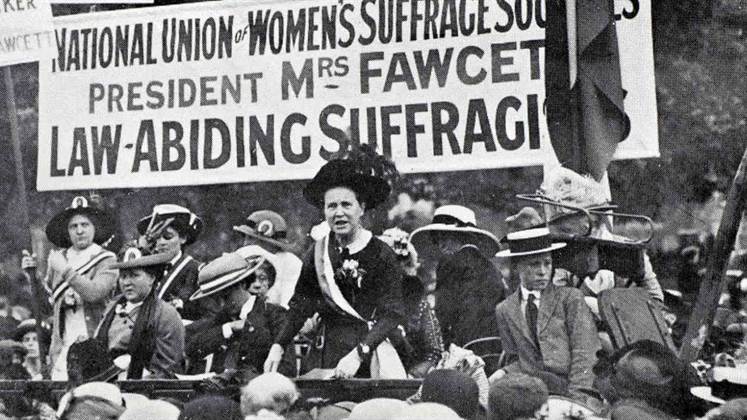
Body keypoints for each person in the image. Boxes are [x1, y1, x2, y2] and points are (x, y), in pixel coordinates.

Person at [263, 156, 406, 379]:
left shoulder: (381, 253)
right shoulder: (317, 253)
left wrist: (360, 354)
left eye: (346, 205)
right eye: (331, 206)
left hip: (369, 351)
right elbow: (301, 305)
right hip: (326, 351)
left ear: (362, 208)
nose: (338, 213)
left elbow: (392, 314)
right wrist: (279, 345)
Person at [493, 228, 601, 402]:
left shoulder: (569, 298)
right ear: (517, 266)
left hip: (571, 389)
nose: (543, 271)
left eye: (547, 263)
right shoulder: (504, 309)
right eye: (534, 264)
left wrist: (576, 398)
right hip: (531, 392)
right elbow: (516, 359)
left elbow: (585, 352)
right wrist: (502, 372)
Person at [22, 196, 118, 380]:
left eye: (85, 225)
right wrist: (32, 276)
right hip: (64, 346)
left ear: (95, 227)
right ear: (67, 231)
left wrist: (65, 270)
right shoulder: (59, 258)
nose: (80, 231)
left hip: (96, 345)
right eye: (73, 226)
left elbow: (94, 293)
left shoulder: (106, 259)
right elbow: (46, 306)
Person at [540, 167, 664, 303]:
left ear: (587, 222)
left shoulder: (629, 251)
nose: (565, 234)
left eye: (567, 228)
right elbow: (556, 305)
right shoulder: (568, 257)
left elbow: (655, 299)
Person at [410, 205, 505, 348]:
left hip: (463, 349)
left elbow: (443, 314)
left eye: (445, 237)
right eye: (436, 239)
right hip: (495, 347)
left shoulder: (450, 263)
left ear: (462, 236)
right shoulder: (492, 268)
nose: (440, 245)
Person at [186, 252, 286, 375]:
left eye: (226, 297)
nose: (222, 304)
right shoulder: (221, 318)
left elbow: (287, 368)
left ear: (243, 284)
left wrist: (250, 328)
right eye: (216, 300)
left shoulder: (275, 314)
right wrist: (229, 328)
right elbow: (191, 348)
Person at [95, 247, 185, 379]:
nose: (127, 282)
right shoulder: (112, 308)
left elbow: (167, 369)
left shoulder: (165, 314)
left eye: (134, 275)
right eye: (123, 276)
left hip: (142, 389)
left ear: (151, 278)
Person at [378, 227, 444, 377]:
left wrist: (416, 372)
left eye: (399, 263)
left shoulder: (417, 300)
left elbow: (434, 350)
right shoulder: (364, 295)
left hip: (405, 376)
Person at [136, 204, 205, 320]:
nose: (161, 242)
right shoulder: (147, 268)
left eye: (167, 237)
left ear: (183, 238)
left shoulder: (197, 271)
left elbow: (207, 317)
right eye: (156, 238)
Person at [233, 210, 303, 309]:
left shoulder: (290, 263)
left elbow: (287, 305)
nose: (245, 244)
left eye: (250, 238)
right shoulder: (243, 258)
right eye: (246, 238)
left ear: (268, 242)